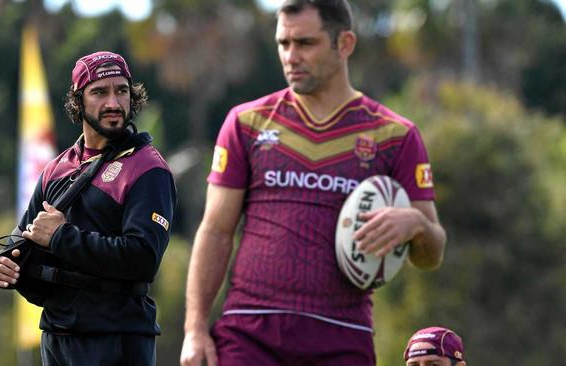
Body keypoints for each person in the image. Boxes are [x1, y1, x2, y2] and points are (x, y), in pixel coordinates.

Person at [180, 1, 446, 365]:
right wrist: (194, 329)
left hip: (342, 334)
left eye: (305, 43)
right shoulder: (246, 123)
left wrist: (416, 226)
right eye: (283, 44)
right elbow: (215, 230)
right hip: (249, 333)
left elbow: (432, 254)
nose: (290, 56)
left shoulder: (395, 136)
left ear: (345, 44)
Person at [0, 51, 177, 366]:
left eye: (122, 91)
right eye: (100, 92)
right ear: (78, 101)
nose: (114, 103)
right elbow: (21, 244)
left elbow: (143, 259)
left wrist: (61, 237)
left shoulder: (147, 169)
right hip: (57, 336)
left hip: (117, 338)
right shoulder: (56, 169)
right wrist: (2, 267)